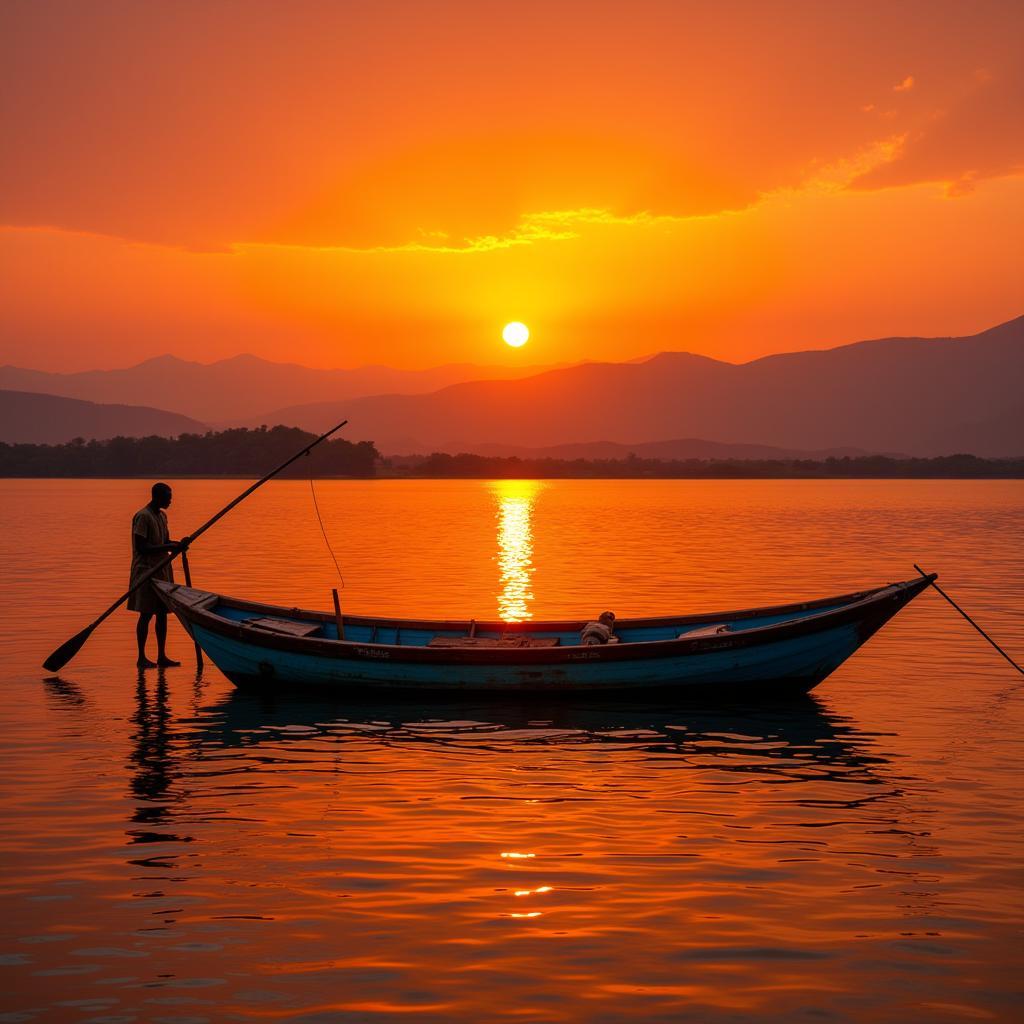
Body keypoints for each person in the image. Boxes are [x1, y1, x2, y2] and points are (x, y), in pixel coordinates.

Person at [129, 482, 188, 668]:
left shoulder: (162, 516)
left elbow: (165, 541)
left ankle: (162, 656)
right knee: (146, 614)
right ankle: (141, 657)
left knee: (162, 613)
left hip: (162, 571)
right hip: (146, 572)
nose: (170, 500)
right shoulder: (143, 516)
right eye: (167, 497)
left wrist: (178, 544)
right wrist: (169, 547)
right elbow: (142, 547)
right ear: (157, 497)